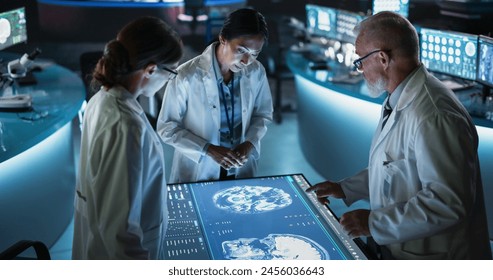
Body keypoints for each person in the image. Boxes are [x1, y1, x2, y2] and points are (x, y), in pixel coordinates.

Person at [306, 11, 491, 260]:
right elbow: (393, 170)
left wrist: (373, 223)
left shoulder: (434, 115)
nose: (359, 68)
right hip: (406, 247)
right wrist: (345, 188)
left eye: (360, 60)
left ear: (382, 58)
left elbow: (447, 203)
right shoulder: (399, 97)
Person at [72, 16, 183, 259]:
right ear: (151, 69)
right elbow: (119, 232)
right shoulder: (125, 124)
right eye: (171, 72)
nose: (170, 80)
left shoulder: (103, 98)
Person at [157, 8, 273, 183]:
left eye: (255, 54)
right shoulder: (186, 75)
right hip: (199, 169)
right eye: (241, 50)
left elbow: (262, 115)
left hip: (240, 167)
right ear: (223, 38)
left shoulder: (256, 71)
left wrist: (249, 143)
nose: (246, 61)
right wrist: (208, 149)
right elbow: (167, 128)